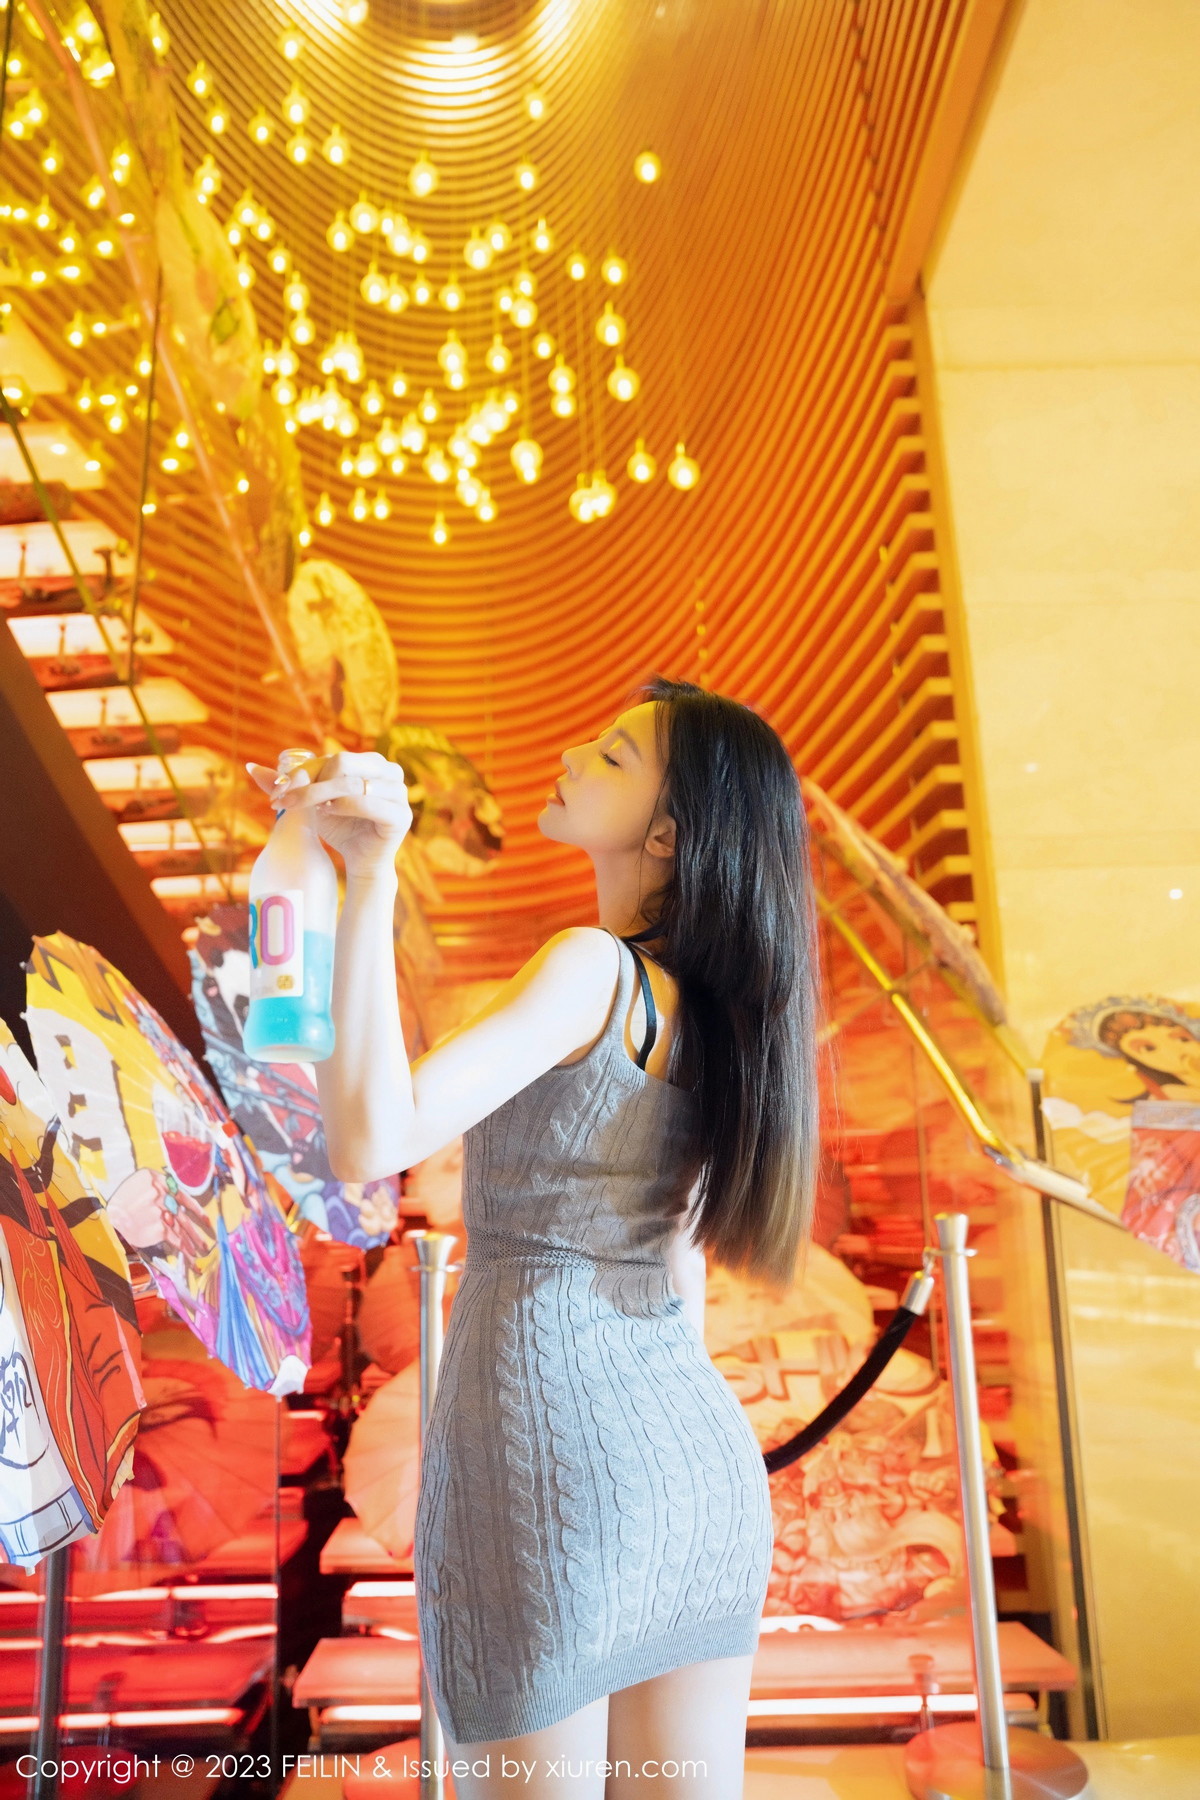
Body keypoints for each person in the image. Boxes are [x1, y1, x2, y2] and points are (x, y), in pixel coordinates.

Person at [248, 676, 820, 1798]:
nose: (571, 752)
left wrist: (373, 873)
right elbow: (679, 1278)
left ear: (668, 832)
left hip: (554, 1452)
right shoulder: (721, 1014)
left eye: (612, 754)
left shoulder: (590, 967)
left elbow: (370, 1136)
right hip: (698, 1473)